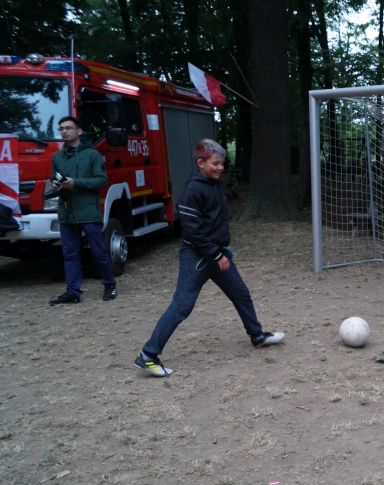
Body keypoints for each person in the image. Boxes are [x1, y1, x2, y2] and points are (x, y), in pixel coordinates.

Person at [133, 139, 284, 377]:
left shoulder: (215, 185)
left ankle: (257, 336)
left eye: (222, 163)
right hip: (197, 256)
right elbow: (192, 230)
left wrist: (220, 251)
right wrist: (215, 254)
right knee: (182, 306)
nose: (220, 167)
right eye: (215, 164)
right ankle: (148, 355)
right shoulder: (193, 190)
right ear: (201, 163)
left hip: (217, 254)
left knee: (241, 294)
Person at [49, 116, 118, 305]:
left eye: (68, 128)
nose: (64, 131)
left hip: (88, 212)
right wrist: (55, 183)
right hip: (66, 212)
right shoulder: (57, 157)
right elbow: (53, 178)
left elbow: (101, 180)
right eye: (61, 128)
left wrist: (75, 183)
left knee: (99, 252)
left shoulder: (92, 155)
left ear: (78, 131)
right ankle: (73, 292)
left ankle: (110, 285)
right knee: (70, 254)